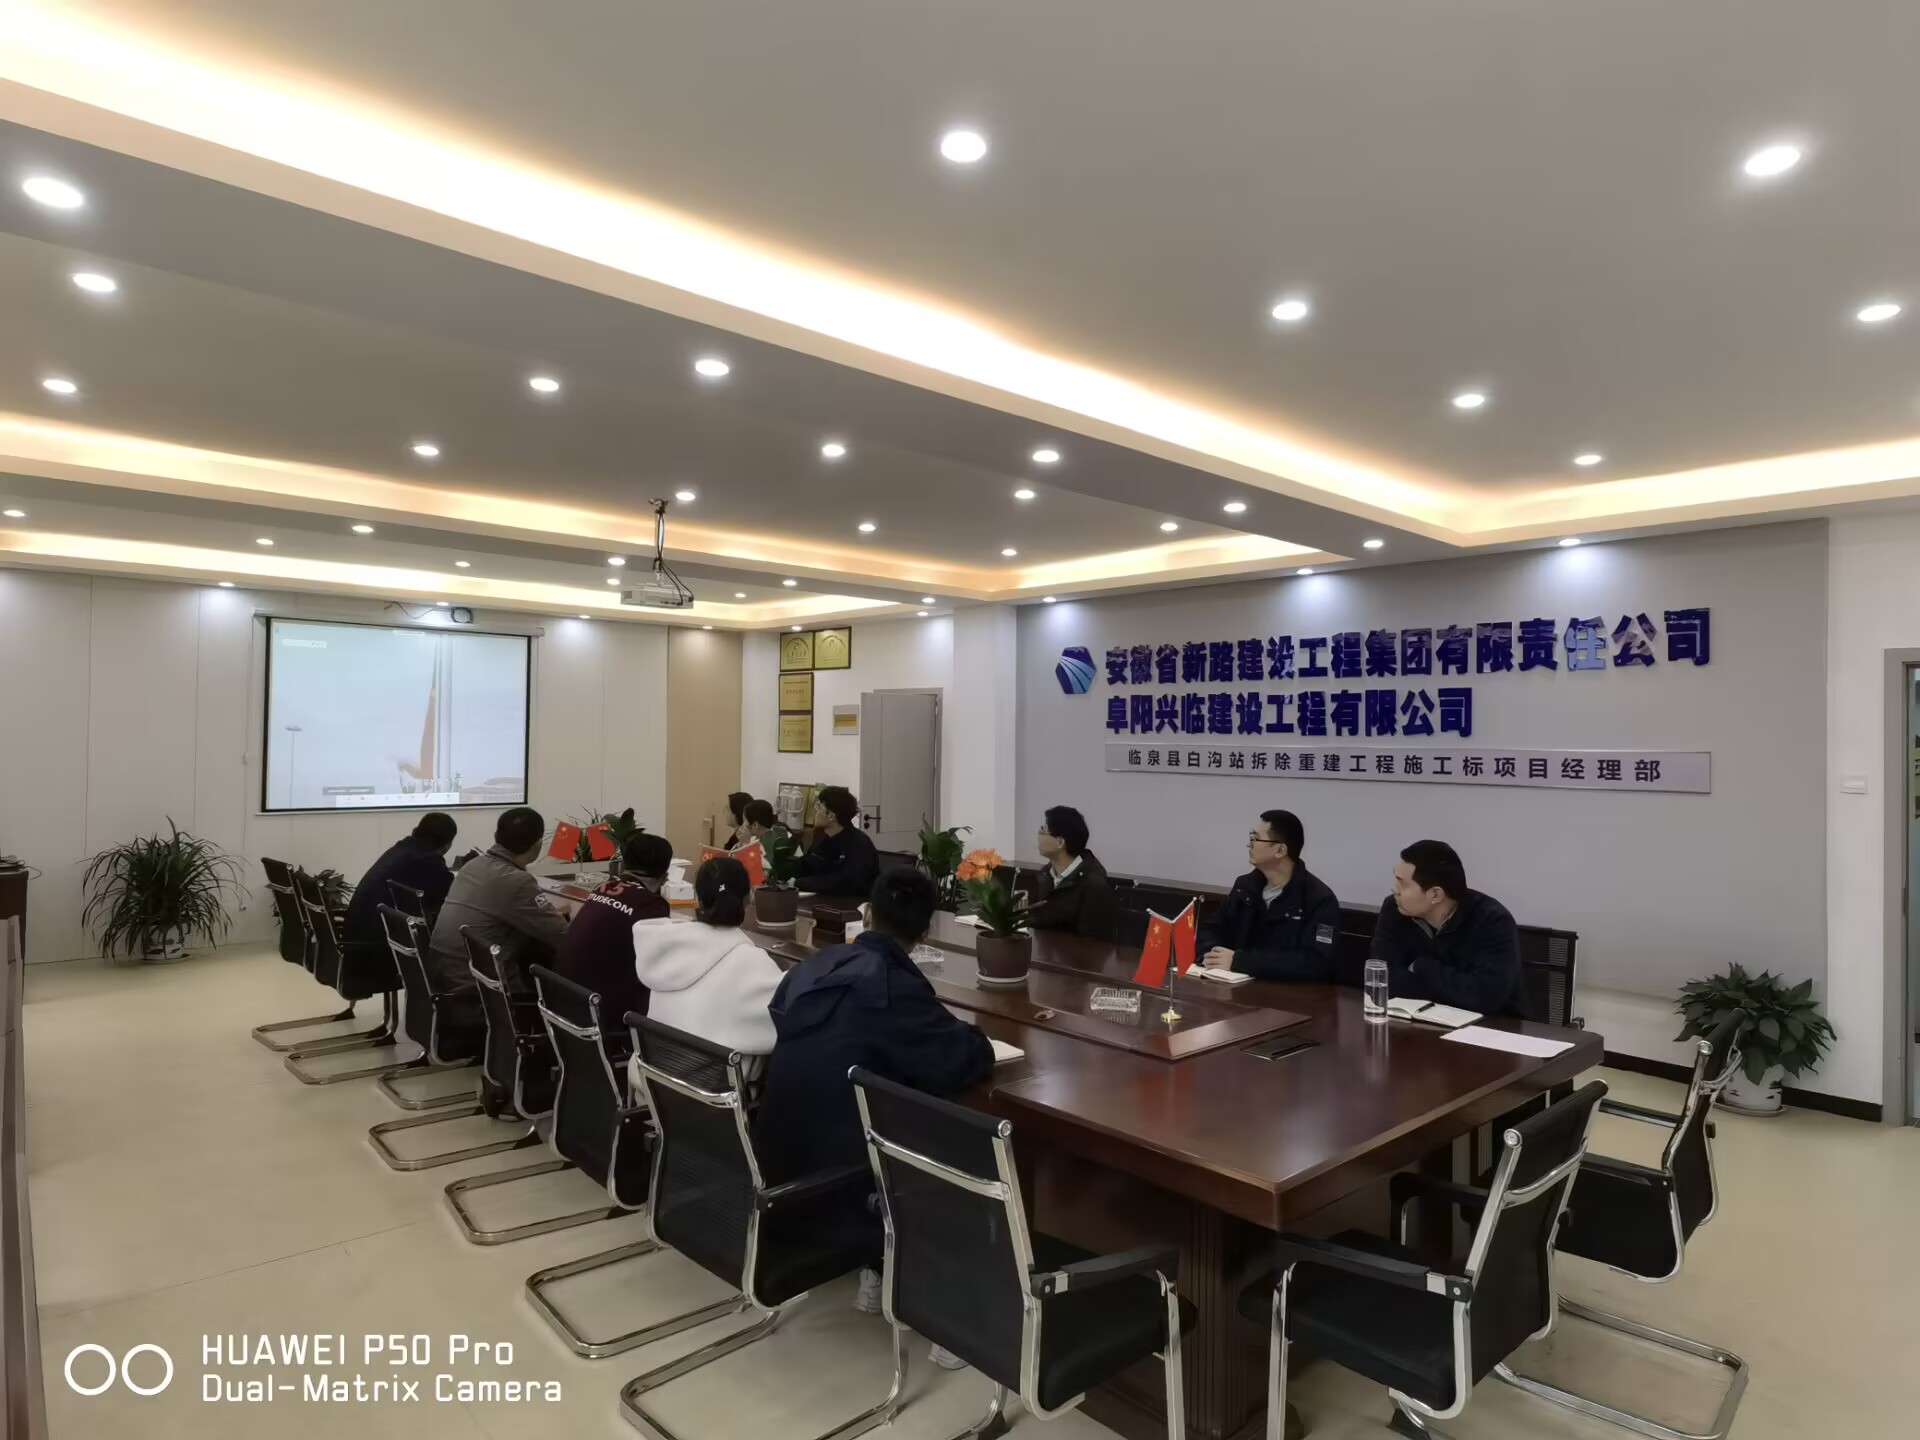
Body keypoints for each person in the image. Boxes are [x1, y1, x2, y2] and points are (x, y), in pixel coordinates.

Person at [756, 866, 993, 1365]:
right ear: (924, 933)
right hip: (846, 1187)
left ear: (867, 915)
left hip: (779, 1169)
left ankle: (876, 1269)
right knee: (959, 1136)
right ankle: (946, 1314)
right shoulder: (893, 989)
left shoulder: (813, 967)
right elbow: (965, 1058)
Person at [627, 856, 781, 1094]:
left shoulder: (667, 947)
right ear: (748, 899)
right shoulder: (753, 963)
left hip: (653, 1088)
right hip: (711, 1102)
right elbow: (784, 1024)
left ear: (697, 899)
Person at [1370, 840, 1528, 1017]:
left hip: (1493, 1027)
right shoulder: (1394, 909)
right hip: (1419, 1023)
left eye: (1403, 884)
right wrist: (1453, 990)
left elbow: (1484, 997)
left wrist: (1422, 966)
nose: (1395, 890)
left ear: (1435, 894)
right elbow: (1382, 980)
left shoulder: (1492, 919)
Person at [426, 806, 569, 996]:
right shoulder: (517, 881)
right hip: (480, 989)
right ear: (538, 845)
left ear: (496, 836)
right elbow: (563, 936)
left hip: (445, 976)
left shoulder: (472, 865)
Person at [1197, 809, 1341, 981]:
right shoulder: (1244, 887)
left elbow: (1316, 963)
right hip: (1233, 984)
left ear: (1279, 850)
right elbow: (1212, 929)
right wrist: (1212, 954)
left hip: (1287, 993)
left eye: (1255, 838)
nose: (1249, 845)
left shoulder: (1319, 899)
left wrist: (1240, 961)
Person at [554, 831, 673, 1036]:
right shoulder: (651, 905)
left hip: (565, 1000)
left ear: (624, 864)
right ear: (664, 875)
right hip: (602, 1014)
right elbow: (660, 962)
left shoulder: (602, 887)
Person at [342, 812, 459, 954]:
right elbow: (453, 894)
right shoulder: (426, 859)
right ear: (447, 844)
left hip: (357, 939)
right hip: (376, 948)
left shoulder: (402, 848)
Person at [1027, 805, 1119, 940]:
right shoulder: (1045, 875)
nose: (1038, 836)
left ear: (1060, 842)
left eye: (1042, 830)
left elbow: (1095, 943)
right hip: (1044, 950)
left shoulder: (1093, 885)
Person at [795, 785, 879, 896]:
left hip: (851, 902)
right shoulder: (822, 837)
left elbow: (845, 882)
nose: (815, 810)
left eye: (818, 807)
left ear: (831, 816)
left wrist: (799, 883)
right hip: (820, 899)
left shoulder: (859, 844)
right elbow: (810, 866)